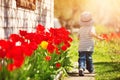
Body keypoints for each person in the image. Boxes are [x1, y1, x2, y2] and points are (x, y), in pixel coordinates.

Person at [77, 11, 104, 76]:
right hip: (89, 46)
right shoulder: (92, 28)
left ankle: (81, 68)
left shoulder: (81, 28)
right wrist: (99, 37)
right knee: (89, 58)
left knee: (82, 58)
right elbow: (92, 34)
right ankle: (90, 69)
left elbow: (78, 37)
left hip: (81, 46)